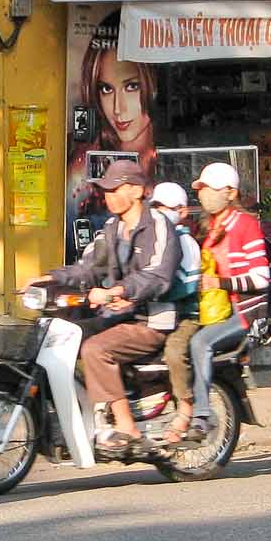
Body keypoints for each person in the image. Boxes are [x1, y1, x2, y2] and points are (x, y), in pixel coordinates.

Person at [34, 159, 180, 452]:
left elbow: (158, 275)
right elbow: (88, 267)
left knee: (95, 350)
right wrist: (51, 278)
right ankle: (87, 416)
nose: (109, 195)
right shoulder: (112, 228)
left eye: (116, 189)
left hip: (149, 320)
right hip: (116, 316)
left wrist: (118, 290)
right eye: (106, 190)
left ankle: (126, 429)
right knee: (61, 337)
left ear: (137, 191)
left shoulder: (159, 225)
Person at [165, 162, 269, 444]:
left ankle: (202, 415)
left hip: (243, 312)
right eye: (200, 189)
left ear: (230, 192)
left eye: (209, 189)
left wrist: (220, 283)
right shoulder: (206, 228)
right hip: (213, 309)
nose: (203, 195)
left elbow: (261, 278)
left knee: (201, 343)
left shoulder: (245, 225)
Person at [65, 10, 158, 261]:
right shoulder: (82, 165)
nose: (118, 108)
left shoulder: (160, 157)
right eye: (106, 89)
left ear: (153, 83)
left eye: (131, 86)